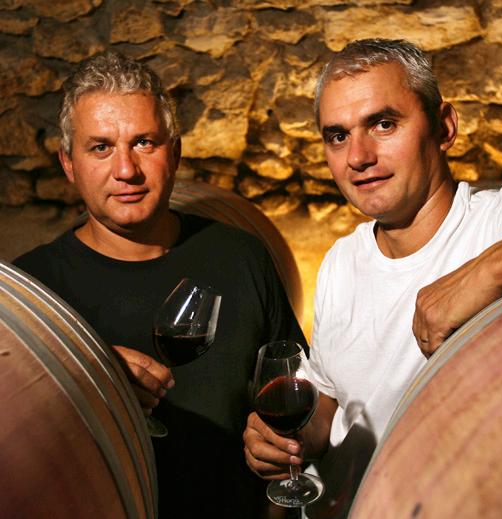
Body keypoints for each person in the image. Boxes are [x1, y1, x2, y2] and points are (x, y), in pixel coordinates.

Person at [13, 51, 307, 519]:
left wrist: (286, 447)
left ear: (176, 152)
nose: (126, 170)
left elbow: (299, 394)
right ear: (68, 163)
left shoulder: (241, 256)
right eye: (101, 148)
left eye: (144, 143)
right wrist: (87, 376)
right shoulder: (31, 292)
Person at [243, 38, 502, 516]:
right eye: (337, 136)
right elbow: (331, 399)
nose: (358, 156)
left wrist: (488, 270)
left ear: (444, 126)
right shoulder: (341, 260)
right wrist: (289, 439)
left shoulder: (501, 223)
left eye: (383, 124)